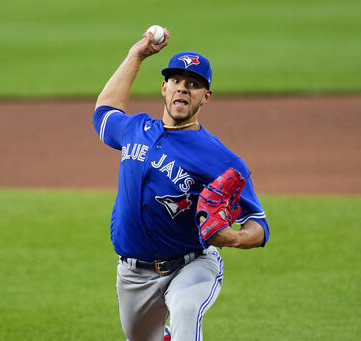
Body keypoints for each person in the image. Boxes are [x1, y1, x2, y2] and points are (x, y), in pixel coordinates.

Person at [92, 28, 270, 341]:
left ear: (206, 96)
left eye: (194, 84)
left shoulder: (221, 159)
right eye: (176, 81)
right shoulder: (136, 128)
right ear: (164, 88)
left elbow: (258, 224)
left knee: (187, 312)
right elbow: (104, 113)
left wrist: (236, 238)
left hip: (192, 265)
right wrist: (137, 55)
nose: (183, 89)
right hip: (133, 273)